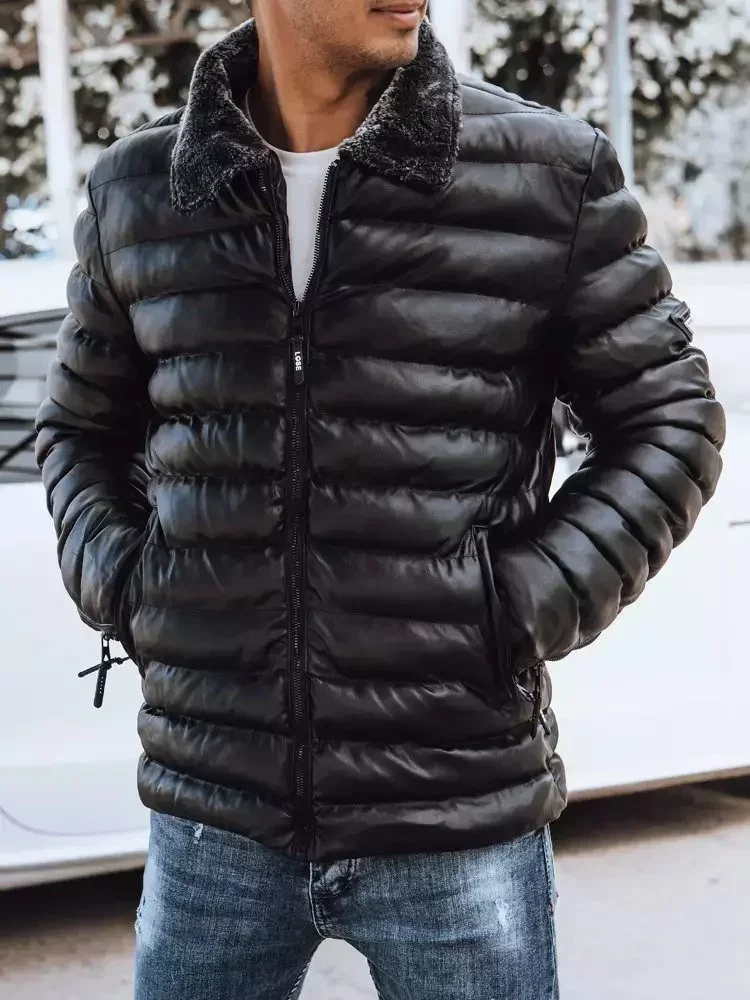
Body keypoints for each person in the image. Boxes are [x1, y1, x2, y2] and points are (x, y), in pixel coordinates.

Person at [35, 2, 725, 998]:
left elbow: (670, 420)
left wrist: (515, 603)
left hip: (455, 808)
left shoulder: (545, 171)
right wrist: (133, 589)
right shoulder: (139, 189)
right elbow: (77, 432)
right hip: (212, 815)